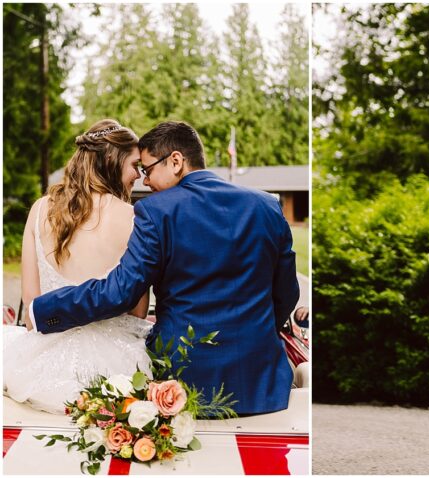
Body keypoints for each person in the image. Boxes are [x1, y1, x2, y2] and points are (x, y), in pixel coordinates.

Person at [29, 121, 300, 415]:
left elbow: (120, 292)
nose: (145, 181)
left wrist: (42, 310)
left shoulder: (156, 212)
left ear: (175, 161)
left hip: (181, 388)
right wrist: (254, 331)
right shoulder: (267, 206)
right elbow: (287, 292)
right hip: (262, 384)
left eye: (147, 169)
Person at [4, 119, 152, 414]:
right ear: (113, 159)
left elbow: (31, 308)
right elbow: (138, 311)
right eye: (135, 164)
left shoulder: (39, 210)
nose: (138, 174)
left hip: (40, 365)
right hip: (117, 365)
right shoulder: (134, 217)